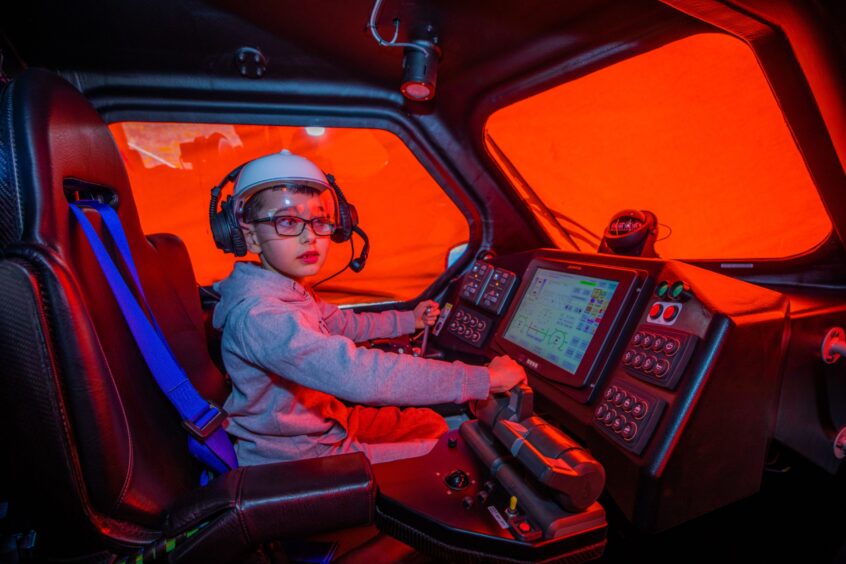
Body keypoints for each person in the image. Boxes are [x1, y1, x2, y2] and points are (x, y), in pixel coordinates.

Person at [212, 150, 527, 465]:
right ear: (250, 238)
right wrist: (485, 379)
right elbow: (358, 373)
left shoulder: (291, 292)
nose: (310, 236)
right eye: (288, 221)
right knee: (450, 453)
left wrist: (408, 320)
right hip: (298, 456)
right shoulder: (261, 316)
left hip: (326, 425)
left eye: (320, 221)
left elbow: (343, 325)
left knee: (431, 424)